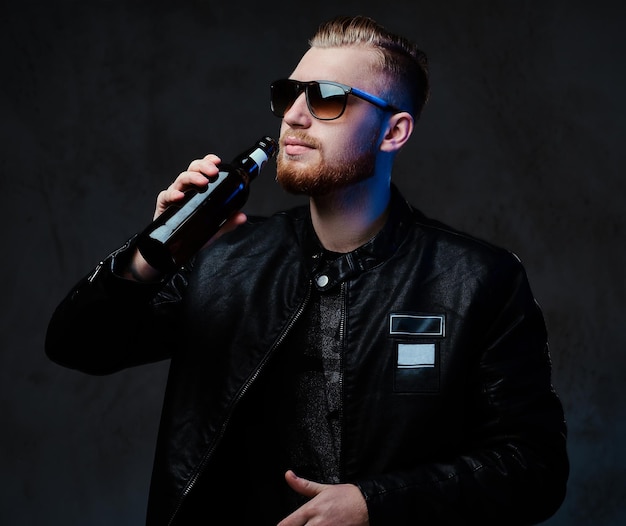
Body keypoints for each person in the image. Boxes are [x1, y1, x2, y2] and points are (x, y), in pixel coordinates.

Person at [45, 14, 569, 526]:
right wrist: (152, 252)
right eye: (288, 94)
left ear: (393, 131)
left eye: (326, 98)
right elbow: (77, 345)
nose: (294, 115)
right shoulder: (221, 260)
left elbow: (534, 468)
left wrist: (377, 504)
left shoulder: (477, 280)